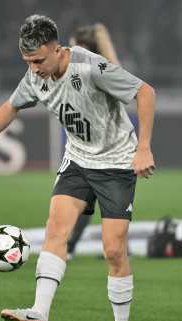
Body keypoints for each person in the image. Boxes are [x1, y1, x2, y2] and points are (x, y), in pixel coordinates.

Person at [0, 15, 155, 321]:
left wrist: (143, 147)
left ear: (58, 49)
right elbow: (11, 106)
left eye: (39, 60)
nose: (34, 69)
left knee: (113, 250)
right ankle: (39, 313)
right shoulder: (34, 76)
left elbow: (145, 92)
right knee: (56, 230)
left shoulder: (90, 67)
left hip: (116, 163)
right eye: (28, 62)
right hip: (78, 162)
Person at [66, 23, 121, 260]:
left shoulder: (94, 68)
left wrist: (101, 37)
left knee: (99, 199)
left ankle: (72, 245)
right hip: (92, 140)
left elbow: (115, 70)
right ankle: (73, 245)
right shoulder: (85, 68)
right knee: (97, 198)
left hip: (106, 143)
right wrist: (101, 36)